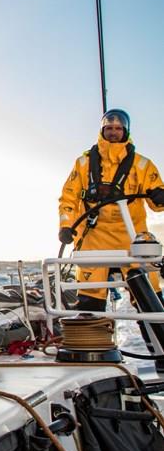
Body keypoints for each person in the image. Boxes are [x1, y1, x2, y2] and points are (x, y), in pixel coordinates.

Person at [58, 109, 164, 311]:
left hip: (133, 237)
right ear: (102, 130)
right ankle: (92, 341)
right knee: (90, 301)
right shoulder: (83, 163)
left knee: (151, 301)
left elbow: (157, 205)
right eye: (109, 128)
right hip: (94, 238)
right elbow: (68, 198)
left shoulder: (142, 165)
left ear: (126, 131)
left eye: (118, 128)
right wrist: (66, 226)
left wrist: (160, 196)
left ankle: (156, 342)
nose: (113, 132)